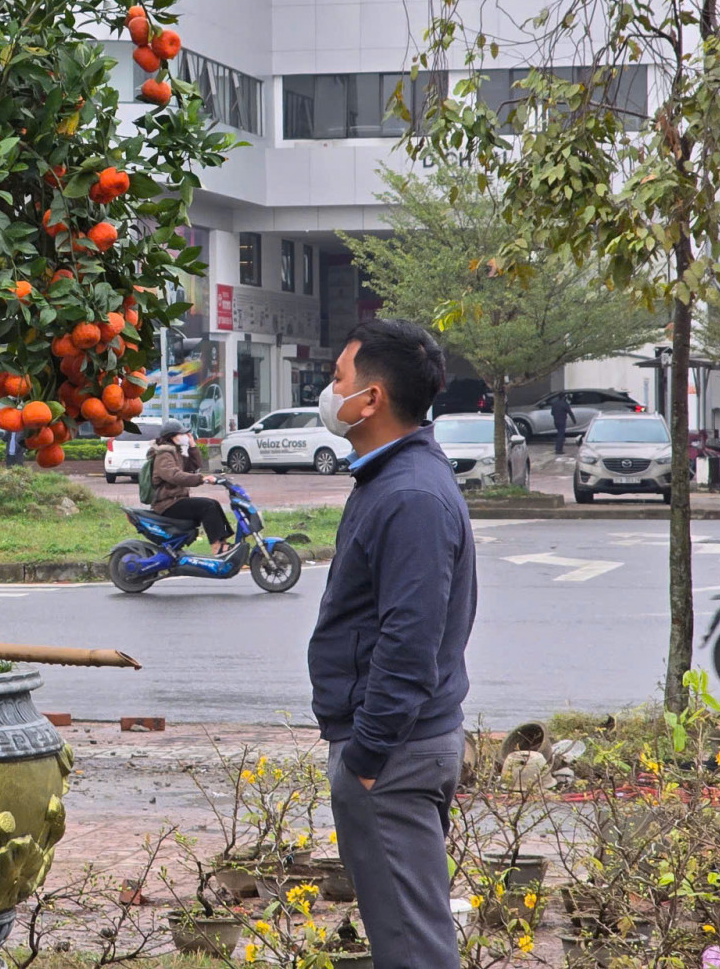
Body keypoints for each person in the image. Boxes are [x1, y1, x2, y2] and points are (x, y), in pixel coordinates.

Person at [308, 319, 477, 969]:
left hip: (393, 756)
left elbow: (409, 641)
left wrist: (368, 756)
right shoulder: (394, 478)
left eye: (338, 379)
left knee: (414, 953)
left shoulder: (408, 494)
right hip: (396, 752)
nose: (330, 392)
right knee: (409, 942)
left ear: (371, 398)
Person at [147, 427, 233, 554]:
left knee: (214, 504)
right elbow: (174, 476)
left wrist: (192, 445)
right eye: (182, 434)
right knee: (207, 506)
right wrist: (201, 479)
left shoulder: (175, 453)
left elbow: (194, 465)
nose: (185, 436)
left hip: (176, 500)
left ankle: (223, 543)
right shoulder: (163, 455)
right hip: (167, 503)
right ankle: (216, 547)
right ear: (172, 436)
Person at [549, 394, 572, 458]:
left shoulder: (555, 404)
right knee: (561, 435)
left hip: (556, 421)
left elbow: (552, 413)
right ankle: (559, 449)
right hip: (562, 421)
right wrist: (574, 420)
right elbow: (570, 412)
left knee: (560, 434)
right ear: (564, 398)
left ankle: (558, 448)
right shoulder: (565, 404)